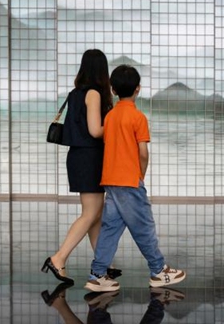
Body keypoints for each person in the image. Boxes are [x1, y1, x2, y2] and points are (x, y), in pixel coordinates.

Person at [84, 64, 186, 292]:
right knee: (144, 226)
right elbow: (142, 152)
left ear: (113, 90)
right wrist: (140, 174)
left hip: (110, 181)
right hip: (129, 182)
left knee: (110, 228)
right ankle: (159, 271)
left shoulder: (110, 117)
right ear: (138, 89)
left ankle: (98, 275)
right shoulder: (138, 117)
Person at [42, 49, 120, 284]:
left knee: (94, 216)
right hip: (90, 158)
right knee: (90, 214)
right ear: (102, 70)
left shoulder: (75, 93)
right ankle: (58, 258)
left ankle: (103, 264)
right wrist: (117, 125)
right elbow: (96, 130)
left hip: (79, 156)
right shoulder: (94, 93)